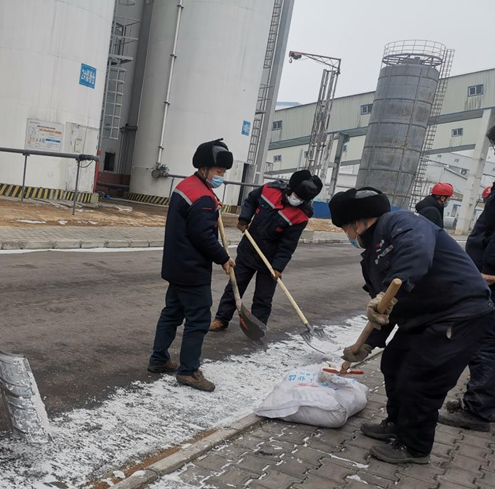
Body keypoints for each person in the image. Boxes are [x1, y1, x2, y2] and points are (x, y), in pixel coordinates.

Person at [329, 187, 493, 464]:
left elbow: (415, 252)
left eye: (346, 227)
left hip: (458, 311)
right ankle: (397, 423)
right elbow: (386, 309)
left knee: (422, 377)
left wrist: (398, 282)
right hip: (424, 315)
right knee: (393, 363)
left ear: (358, 221)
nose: (348, 235)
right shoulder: (371, 258)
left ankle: (415, 446)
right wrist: (368, 344)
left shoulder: (402, 223)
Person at [148, 139, 235, 392]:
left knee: (172, 313)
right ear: (205, 168)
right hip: (192, 269)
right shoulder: (203, 198)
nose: (222, 177)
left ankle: (159, 359)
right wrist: (223, 257)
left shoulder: (185, 186)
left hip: (175, 265)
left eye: (224, 173)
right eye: (219, 172)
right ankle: (188, 371)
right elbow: (203, 237)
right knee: (198, 319)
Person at [210, 170, 322, 332]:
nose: (297, 200)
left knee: (263, 296)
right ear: (290, 188)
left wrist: (278, 267)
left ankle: (257, 327)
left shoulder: (301, 215)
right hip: (249, 248)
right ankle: (221, 319)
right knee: (235, 286)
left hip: (270, 259)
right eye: (297, 195)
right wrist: (244, 219)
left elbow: (288, 244)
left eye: (302, 199)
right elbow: (251, 201)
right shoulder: (270, 189)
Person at [438, 132, 495, 431]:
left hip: (490, 280)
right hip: (485, 274)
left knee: (485, 343)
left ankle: (477, 410)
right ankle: (483, 401)